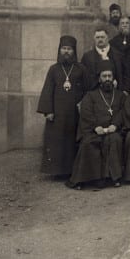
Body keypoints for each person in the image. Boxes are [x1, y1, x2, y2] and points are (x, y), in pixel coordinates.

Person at [68, 60, 126, 189]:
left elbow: (123, 112)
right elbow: (86, 113)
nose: (107, 79)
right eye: (104, 76)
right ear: (99, 79)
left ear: (113, 78)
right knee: (89, 143)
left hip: (113, 130)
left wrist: (115, 125)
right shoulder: (90, 95)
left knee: (115, 140)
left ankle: (113, 178)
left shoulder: (121, 95)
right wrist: (96, 127)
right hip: (93, 130)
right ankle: (90, 179)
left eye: (109, 76)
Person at [37, 35, 88, 177]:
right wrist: (48, 111)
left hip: (75, 113)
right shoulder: (54, 69)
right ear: (59, 51)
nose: (66, 52)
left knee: (72, 141)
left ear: (74, 51)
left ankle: (72, 170)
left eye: (69, 49)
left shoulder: (81, 69)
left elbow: (87, 90)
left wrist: (83, 104)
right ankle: (56, 171)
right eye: (64, 48)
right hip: (57, 113)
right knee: (57, 141)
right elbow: (47, 90)